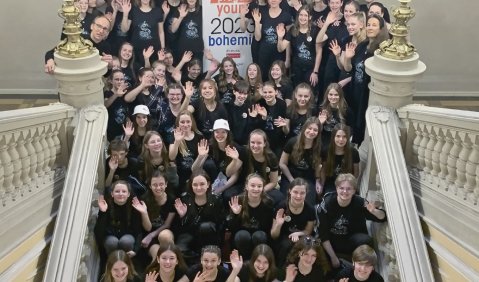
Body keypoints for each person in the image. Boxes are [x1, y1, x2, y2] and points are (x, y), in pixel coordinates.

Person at [316, 174, 387, 268]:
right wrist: (333, 257)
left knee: (366, 240)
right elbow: (323, 235)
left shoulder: (359, 202)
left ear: (354, 190)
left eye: (349, 189)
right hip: (331, 240)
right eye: (341, 188)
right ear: (336, 188)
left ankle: (357, 265)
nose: (345, 191)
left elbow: (382, 217)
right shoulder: (326, 204)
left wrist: (374, 211)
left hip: (350, 240)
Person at [342, 14, 389, 145]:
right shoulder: (362, 45)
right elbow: (349, 69)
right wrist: (348, 57)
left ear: (381, 29)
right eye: (368, 24)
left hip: (368, 95)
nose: (370, 27)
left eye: (374, 25)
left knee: (363, 123)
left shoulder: (382, 51)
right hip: (355, 91)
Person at [173, 171, 225, 256]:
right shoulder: (185, 199)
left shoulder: (216, 199)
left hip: (209, 236)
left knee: (205, 227)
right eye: (195, 185)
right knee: (179, 251)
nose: (199, 187)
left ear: (208, 184)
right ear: (191, 185)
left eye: (202, 184)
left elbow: (220, 224)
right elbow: (181, 228)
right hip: (190, 234)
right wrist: (183, 216)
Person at [192, 119, 244, 201]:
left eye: (223, 132)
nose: (220, 135)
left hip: (233, 181)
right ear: (213, 133)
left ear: (228, 133)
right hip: (218, 177)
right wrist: (200, 156)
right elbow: (194, 169)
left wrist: (220, 189)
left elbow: (233, 176)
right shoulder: (211, 146)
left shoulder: (236, 149)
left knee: (226, 195)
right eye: (217, 132)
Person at [94, 180, 150, 257]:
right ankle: (112, 263)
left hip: (128, 237)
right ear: (112, 194)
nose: (120, 194)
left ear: (128, 194)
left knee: (126, 241)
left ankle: (127, 262)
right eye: (117, 191)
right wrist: (103, 213)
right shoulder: (106, 206)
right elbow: (99, 233)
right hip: (110, 237)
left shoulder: (134, 206)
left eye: (124, 191)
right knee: (112, 242)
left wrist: (135, 250)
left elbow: (138, 231)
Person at [227, 174, 274, 259]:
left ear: (263, 188)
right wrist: (236, 214)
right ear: (246, 187)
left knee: (259, 235)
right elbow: (231, 228)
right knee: (242, 235)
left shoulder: (268, 202)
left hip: (259, 236)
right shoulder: (238, 200)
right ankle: (244, 261)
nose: (256, 189)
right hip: (241, 237)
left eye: (259, 186)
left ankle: (257, 260)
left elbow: (268, 228)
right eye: (252, 185)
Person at [44, 15, 113, 74]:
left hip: (92, 81)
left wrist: (109, 66)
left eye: (105, 29)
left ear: (107, 33)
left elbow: (105, 74)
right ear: (92, 26)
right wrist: (50, 61)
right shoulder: (77, 39)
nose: (101, 31)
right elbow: (50, 53)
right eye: (98, 26)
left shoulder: (106, 47)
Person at [276, 6, 325, 89]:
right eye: (301, 15)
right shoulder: (292, 30)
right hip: (296, 69)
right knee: (297, 92)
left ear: (310, 17)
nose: (303, 18)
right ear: (298, 16)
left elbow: (319, 52)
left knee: (309, 94)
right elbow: (281, 48)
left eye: (305, 15)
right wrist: (280, 38)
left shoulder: (315, 30)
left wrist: (315, 72)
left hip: (311, 69)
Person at [271, 178, 316, 267]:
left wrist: (299, 233)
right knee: (286, 244)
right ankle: (281, 270)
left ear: (306, 193)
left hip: (301, 237)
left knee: (313, 244)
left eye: (302, 193)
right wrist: (278, 225)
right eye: (295, 192)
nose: (298, 196)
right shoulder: (281, 207)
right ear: (290, 191)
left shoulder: (310, 209)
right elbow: (274, 235)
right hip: (283, 238)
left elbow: (308, 231)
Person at [279, 117, 322, 206]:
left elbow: (318, 166)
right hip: (290, 177)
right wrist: (291, 180)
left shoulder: (318, 147)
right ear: (304, 128)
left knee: (308, 204)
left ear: (318, 133)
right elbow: (282, 164)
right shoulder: (292, 142)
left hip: (308, 179)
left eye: (315, 130)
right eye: (309, 128)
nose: (311, 132)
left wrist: (318, 181)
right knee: (286, 203)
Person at [253, 0, 293, 81]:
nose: (273, 0)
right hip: (263, 55)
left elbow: (288, 41)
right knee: (264, 81)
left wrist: (287, 59)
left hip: (279, 55)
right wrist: (257, 22)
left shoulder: (287, 16)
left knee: (279, 83)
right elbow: (257, 38)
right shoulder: (262, 14)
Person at [141, 171, 176, 259]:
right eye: (155, 185)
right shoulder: (144, 199)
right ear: (150, 186)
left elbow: (167, 224)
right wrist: (144, 212)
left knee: (164, 236)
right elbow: (148, 228)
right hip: (149, 235)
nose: (158, 187)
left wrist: (151, 235)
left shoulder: (172, 199)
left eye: (161, 184)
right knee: (158, 257)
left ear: (166, 184)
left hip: (164, 232)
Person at [119, 0, 165, 66]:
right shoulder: (133, 10)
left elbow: (161, 32)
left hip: (153, 50)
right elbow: (124, 29)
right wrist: (125, 13)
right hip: (136, 50)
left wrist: (162, 48)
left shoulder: (157, 11)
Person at [245, 129, 284, 205]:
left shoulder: (271, 157)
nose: (255, 146)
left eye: (259, 143)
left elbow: (273, 182)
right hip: (247, 187)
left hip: (264, 187)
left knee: (280, 198)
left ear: (264, 143)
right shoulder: (244, 152)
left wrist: (259, 191)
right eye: (252, 142)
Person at [168, 110, 203, 194]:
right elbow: (171, 157)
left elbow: (200, 163)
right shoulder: (174, 135)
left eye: (188, 121)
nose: (185, 124)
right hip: (180, 173)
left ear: (192, 122)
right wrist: (177, 142)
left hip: (195, 170)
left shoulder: (199, 136)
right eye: (182, 122)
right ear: (178, 123)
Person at [320, 124, 359, 194]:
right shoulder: (326, 151)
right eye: (338, 136)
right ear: (333, 137)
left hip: (347, 184)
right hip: (331, 183)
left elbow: (356, 173)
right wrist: (321, 186)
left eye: (344, 137)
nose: (341, 140)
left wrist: (352, 186)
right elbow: (323, 170)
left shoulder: (354, 152)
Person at [225, 80, 266, 146]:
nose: (242, 96)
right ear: (234, 92)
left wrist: (253, 118)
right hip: (232, 144)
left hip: (246, 145)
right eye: (240, 93)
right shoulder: (227, 107)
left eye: (245, 94)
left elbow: (256, 130)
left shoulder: (251, 107)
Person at [318, 83, 352, 151]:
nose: (333, 97)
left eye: (336, 95)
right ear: (327, 95)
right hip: (324, 140)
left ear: (340, 96)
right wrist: (320, 123)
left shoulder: (346, 110)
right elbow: (317, 130)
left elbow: (350, 129)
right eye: (331, 94)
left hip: (339, 140)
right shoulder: (321, 108)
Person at [258, 81, 287, 157]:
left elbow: (285, 128)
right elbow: (256, 126)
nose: (267, 95)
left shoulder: (282, 104)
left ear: (276, 92)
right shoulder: (259, 104)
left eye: (270, 92)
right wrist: (264, 118)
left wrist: (284, 125)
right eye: (265, 92)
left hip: (278, 140)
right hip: (263, 140)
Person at [104, 70, 129, 141]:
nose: (119, 81)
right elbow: (105, 105)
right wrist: (116, 95)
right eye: (117, 79)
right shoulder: (108, 93)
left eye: (121, 79)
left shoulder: (126, 93)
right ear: (111, 81)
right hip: (112, 132)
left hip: (124, 131)